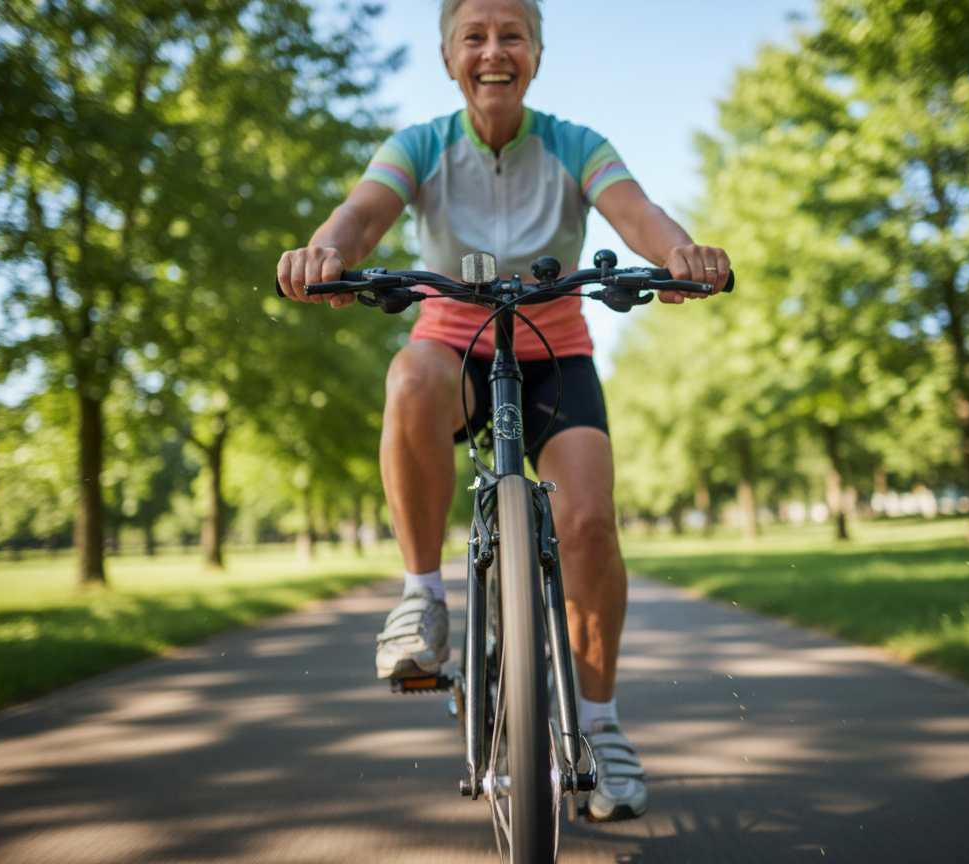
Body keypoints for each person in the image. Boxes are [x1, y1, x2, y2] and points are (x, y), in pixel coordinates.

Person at [277, 0, 730, 822]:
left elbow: (636, 212)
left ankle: (599, 726)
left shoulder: (573, 142)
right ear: (449, 55)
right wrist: (329, 251)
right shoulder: (419, 145)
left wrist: (677, 255)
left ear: (538, 53)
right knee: (409, 376)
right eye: (474, 36)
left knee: (589, 522)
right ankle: (423, 596)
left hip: (555, 354)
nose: (494, 51)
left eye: (512, 34)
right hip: (455, 346)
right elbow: (363, 214)